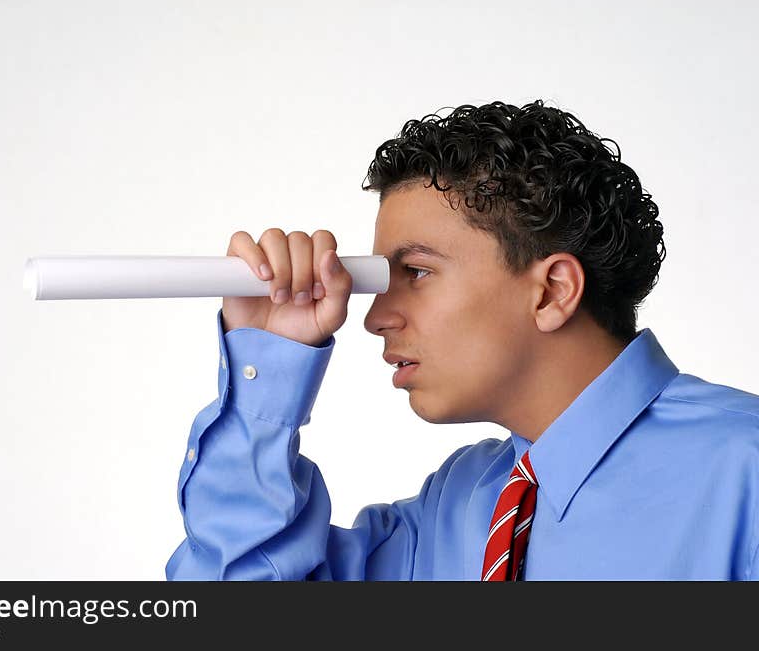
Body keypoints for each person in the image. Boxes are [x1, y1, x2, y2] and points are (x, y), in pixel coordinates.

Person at [165, 99, 759, 580]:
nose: (375, 318)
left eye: (416, 273)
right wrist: (269, 364)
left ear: (552, 291)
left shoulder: (743, 470)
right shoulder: (457, 506)